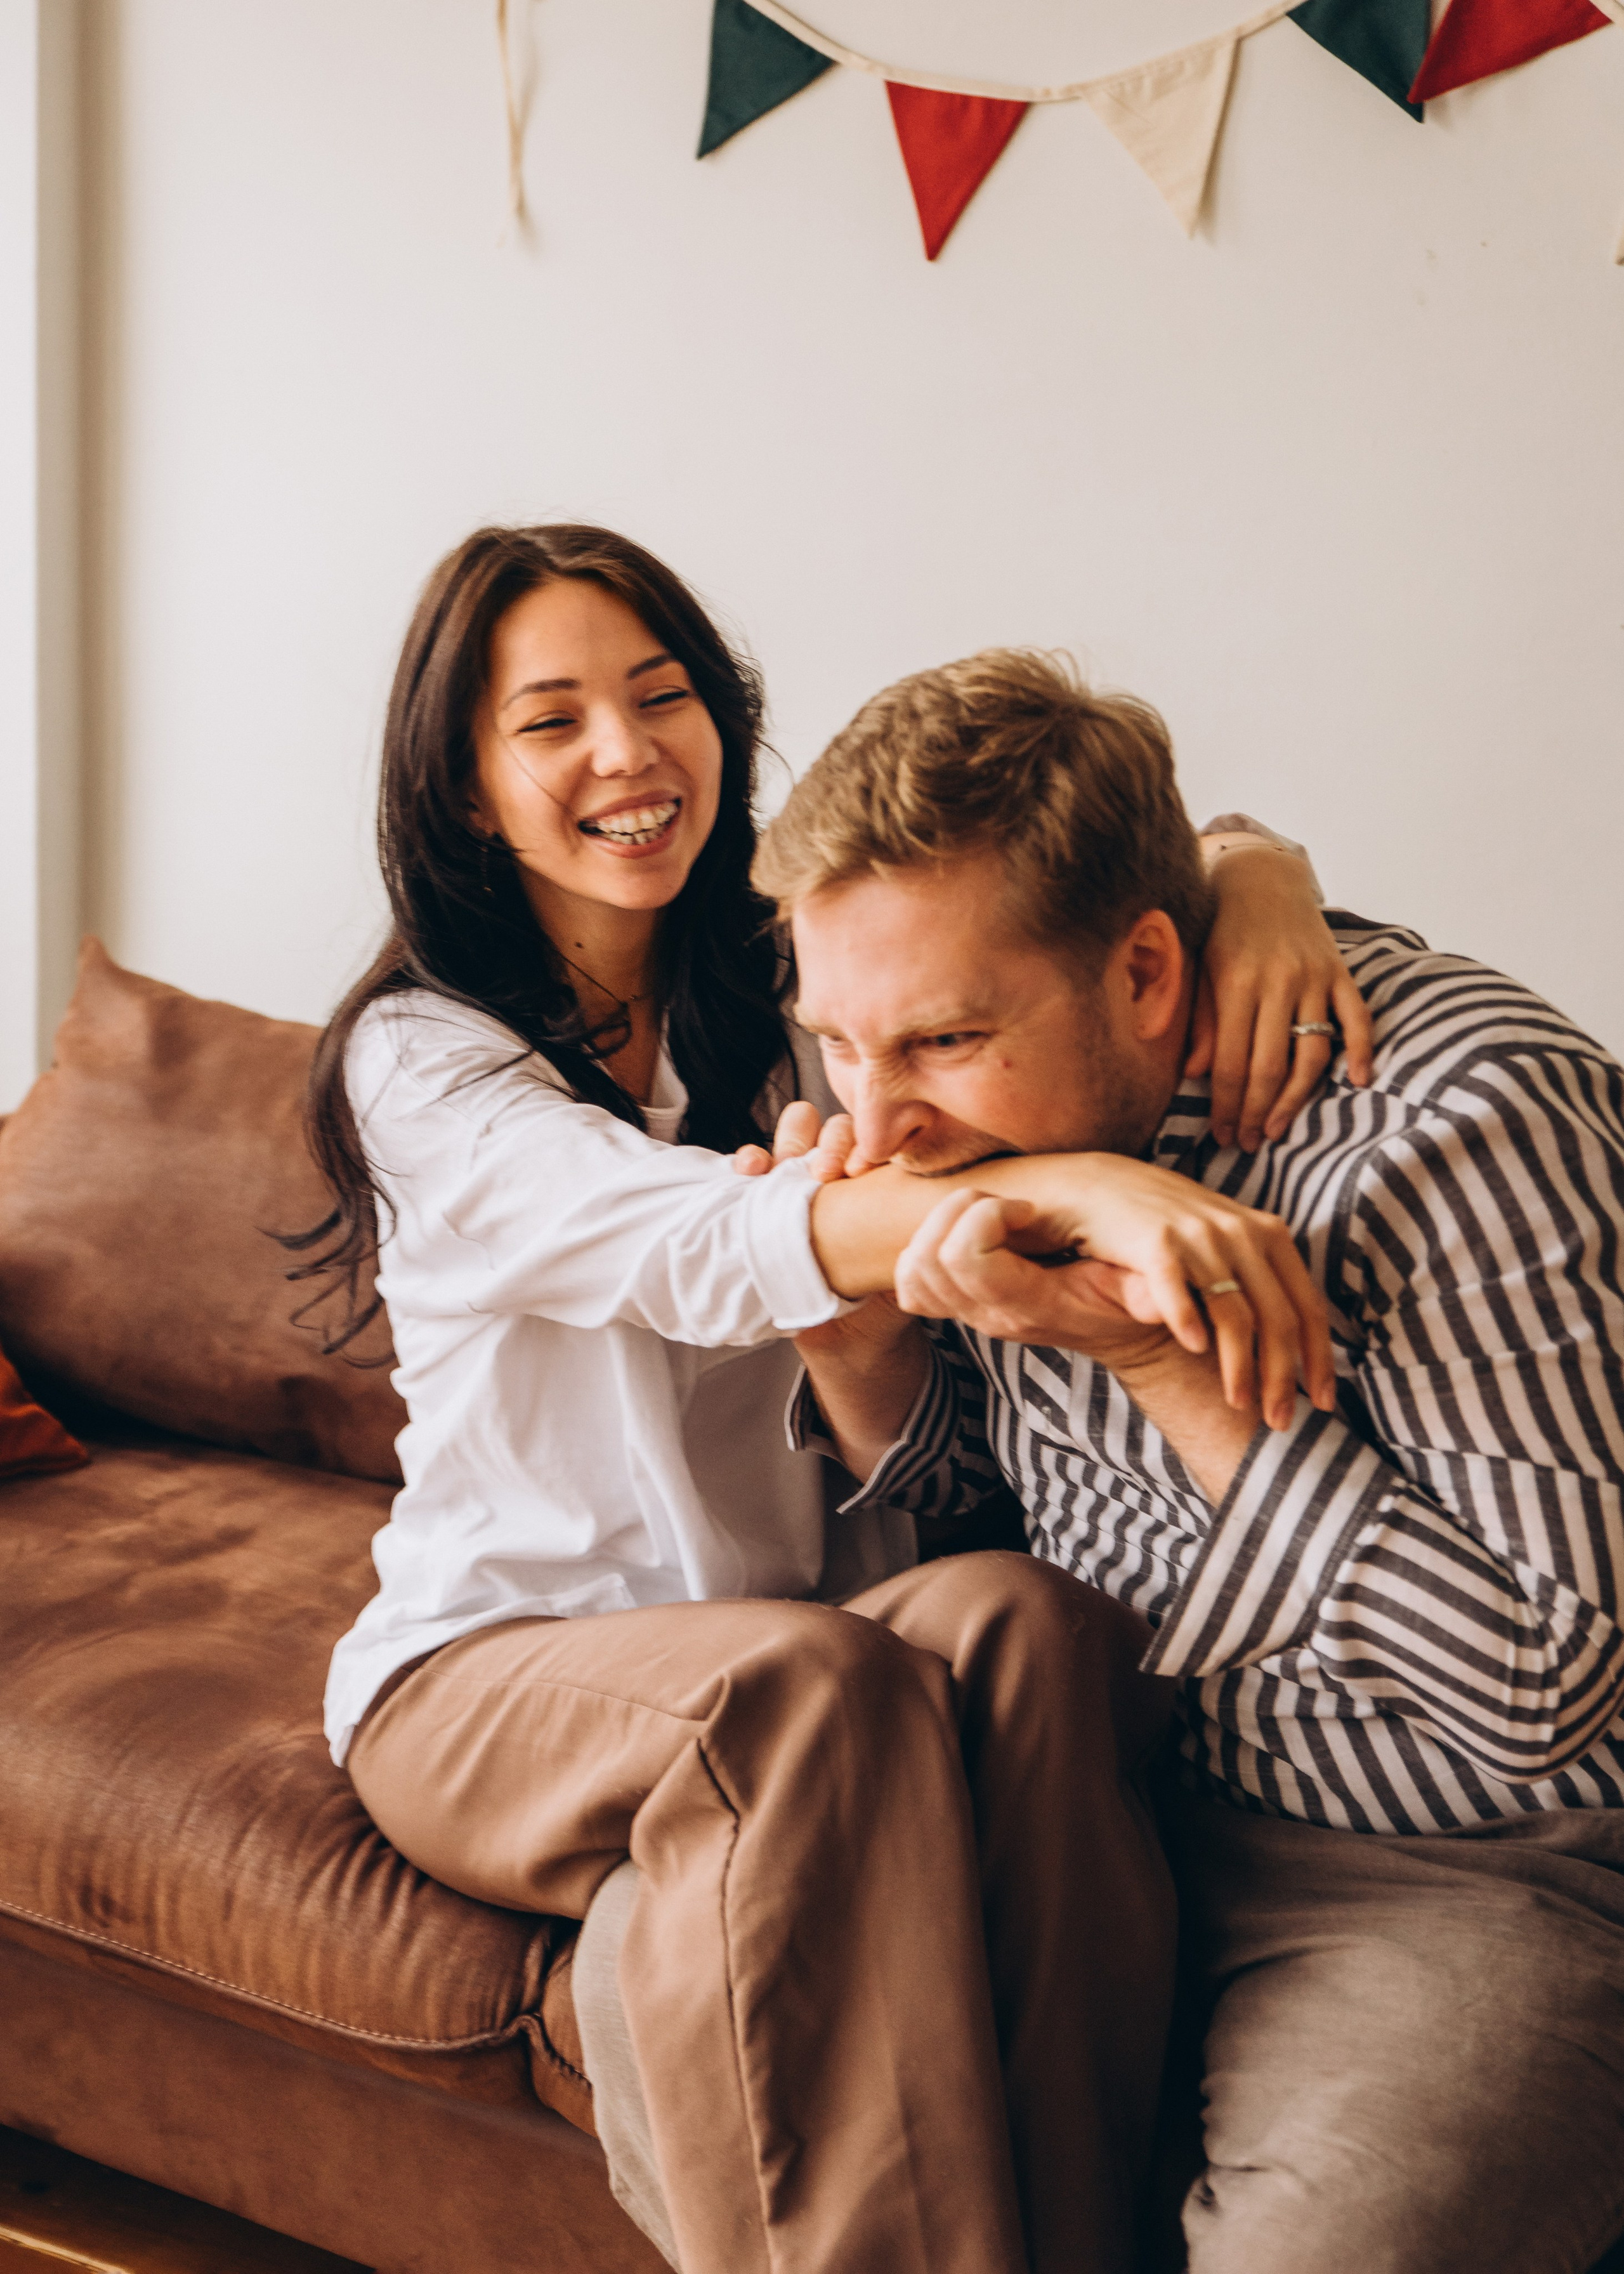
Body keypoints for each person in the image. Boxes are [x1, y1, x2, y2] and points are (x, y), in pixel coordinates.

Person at [292, 523, 1354, 2274]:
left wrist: (1259, 872)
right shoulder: (422, 1062)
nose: (628, 753)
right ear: (468, 790)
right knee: (798, 1686)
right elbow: (695, 1244)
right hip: (492, 1673)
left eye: (662, 696)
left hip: (806, 1642)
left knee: (1027, 1618)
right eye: (551, 722)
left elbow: (1065, 875)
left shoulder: (795, 993)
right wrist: (1079, 1191)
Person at [754, 645, 1624, 2274]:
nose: (872, 1128)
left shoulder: (1458, 1122)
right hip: (1088, 1795)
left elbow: (1543, 1690)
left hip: (1463, 1866)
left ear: (1147, 971)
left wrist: (1165, 1370)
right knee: (684, 1988)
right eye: (838, 1047)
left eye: (940, 1040)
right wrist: (856, 1356)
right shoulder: (961, 1123)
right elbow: (984, 1518)